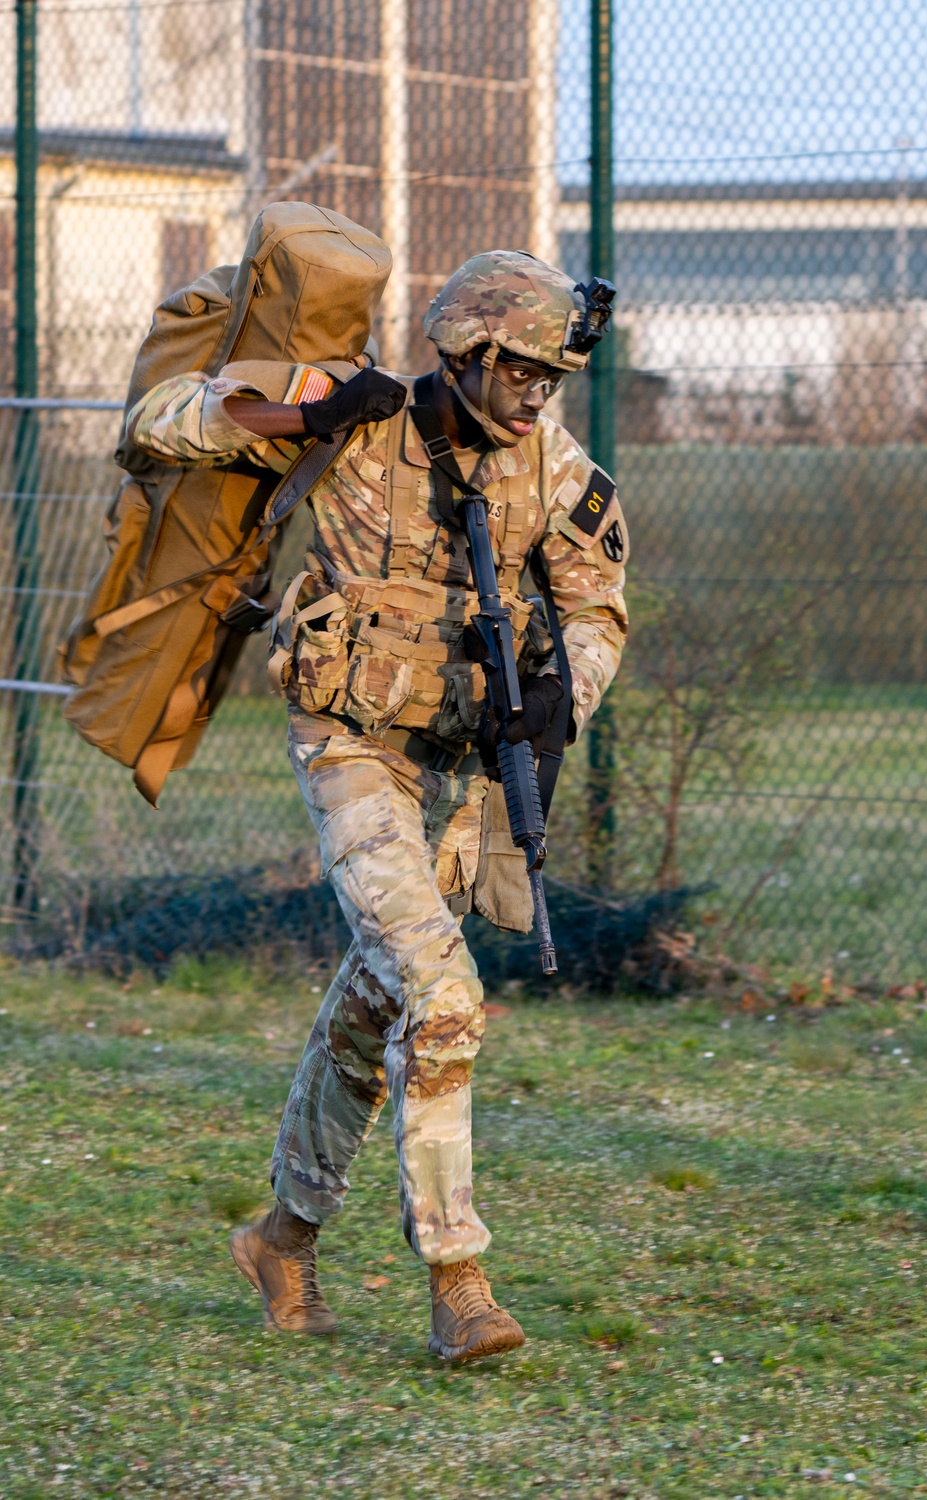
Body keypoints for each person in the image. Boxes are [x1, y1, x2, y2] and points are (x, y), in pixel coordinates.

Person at [125, 250, 629, 1361]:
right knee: (442, 992)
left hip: (454, 775)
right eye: (524, 372)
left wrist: (562, 695)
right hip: (348, 745)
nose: (540, 394)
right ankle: (459, 1278)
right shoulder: (354, 414)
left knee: (374, 1008)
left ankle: (283, 1239)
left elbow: (598, 607)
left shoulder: (554, 469)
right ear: (469, 353)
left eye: (553, 378)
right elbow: (155, 421)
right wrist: (292, 415)